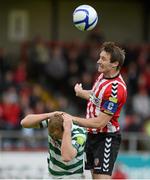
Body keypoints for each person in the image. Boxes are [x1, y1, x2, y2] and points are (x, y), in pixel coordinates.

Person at [63, 42, 127, 179]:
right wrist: (81, 93)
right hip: (91, 136)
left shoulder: (116, 90)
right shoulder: (102, 76)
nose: (98, 61)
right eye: (100, 57)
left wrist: (72, 119)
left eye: (103, 59)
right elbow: (96, 97)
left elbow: (99, 123)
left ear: (114, 63)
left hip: (106, 138)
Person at [21, 112, 87, 179]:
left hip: (73, 176)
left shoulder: (79, 134)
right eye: (51, 135)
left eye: (56, 136)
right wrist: (49, 115)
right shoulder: (53, 123)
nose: (53, 138)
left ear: (63, 128)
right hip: (52, 175)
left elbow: (66, 157)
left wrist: (67, 130)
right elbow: (24, 123)